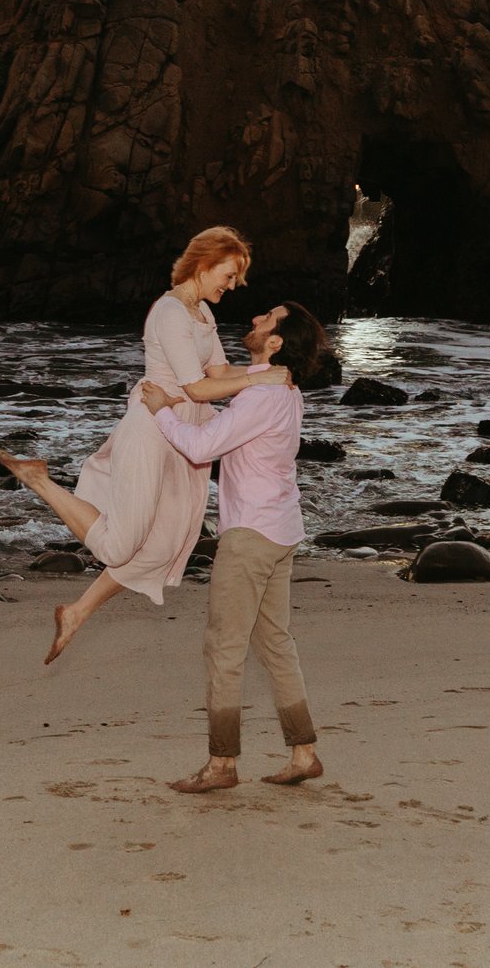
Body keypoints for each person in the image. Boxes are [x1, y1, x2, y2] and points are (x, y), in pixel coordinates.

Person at [0, 227, 287, 664]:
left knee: (162, 544)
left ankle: (75, 612)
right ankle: (39, 480)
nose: (231, 287)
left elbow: (220, 370)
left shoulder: (202, 313)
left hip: (183, 431)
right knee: (118, 547)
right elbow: (195, 386)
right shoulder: (170, 312)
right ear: (204, 264)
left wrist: (271, 373)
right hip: (153, 426)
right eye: (227, 276)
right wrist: (261, 378)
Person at [142, 300, 337, 793]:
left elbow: (203, 447)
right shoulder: (282, 390)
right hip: (281, 528)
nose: (254, 319)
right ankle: (304, 752)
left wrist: (163, 412)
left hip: (251, 534)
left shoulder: (262, 396)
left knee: (224, 647)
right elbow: (219, 384)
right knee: (275, 642)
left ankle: (222, 764)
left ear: (275, 343)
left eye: (266, 319)